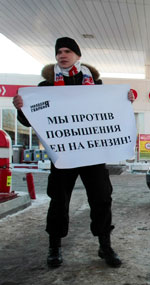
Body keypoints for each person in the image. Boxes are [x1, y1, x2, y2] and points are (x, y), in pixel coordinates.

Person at [12, 37, 136, 269]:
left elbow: (112, 113)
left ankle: (105, 245)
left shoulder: (96, 85)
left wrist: (126, 100)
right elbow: (29, 122)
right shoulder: (45, 88)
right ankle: (54, 246)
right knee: (59, 201)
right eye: (59, 51)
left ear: (78, 56)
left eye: (68, 51)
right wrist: (20, 107)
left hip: (93, 155)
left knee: (102, 199)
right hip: (63, 156)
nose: (62, 54)